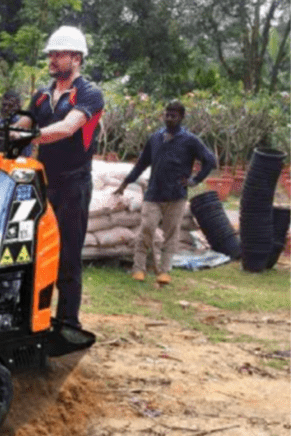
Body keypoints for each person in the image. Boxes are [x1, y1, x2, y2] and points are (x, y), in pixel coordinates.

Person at [11, 26, 105, 331]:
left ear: (76, 58)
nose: (52, 59)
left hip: (73, 185)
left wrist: (32, 136)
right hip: (43, 183)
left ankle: (68, 321)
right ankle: (30, 316)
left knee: (67, 254)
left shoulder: (89, 94)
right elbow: (21, 124)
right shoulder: (41, 95)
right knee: (31, 250)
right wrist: (5, 133)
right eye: (51, 53)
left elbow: (67, 127)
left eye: (58, 53)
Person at [113, 100, 215, 284]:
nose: (169, 118)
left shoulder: (190, 140)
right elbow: (141, 164)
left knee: (171, 234)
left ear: (182, 117)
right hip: (153, 194)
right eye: (167, 114)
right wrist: (125, 184)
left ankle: (165, 271)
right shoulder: (155, 138)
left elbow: (210, 160)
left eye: (173, 115)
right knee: (146, 228)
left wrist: (194, 181)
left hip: (176, 196)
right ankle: (139, 268)